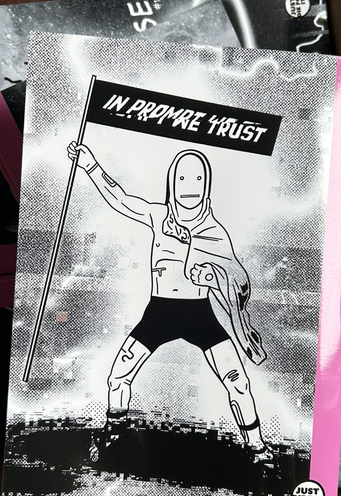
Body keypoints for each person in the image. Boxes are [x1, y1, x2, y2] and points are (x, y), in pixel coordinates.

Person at [67, 142, 272, 464]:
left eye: (197, 179)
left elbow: (239, 279)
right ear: (172, 182)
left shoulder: (215, 232)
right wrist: (90, 165)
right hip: (159, 313)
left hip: (200, 314)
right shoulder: (158, 215)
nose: (189, 187)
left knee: (239, 382)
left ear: (206, 186)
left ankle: (258, 448)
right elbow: (120, 199)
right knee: (117, 376)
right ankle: (114, 433)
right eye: (182, 178)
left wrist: (211, 275)